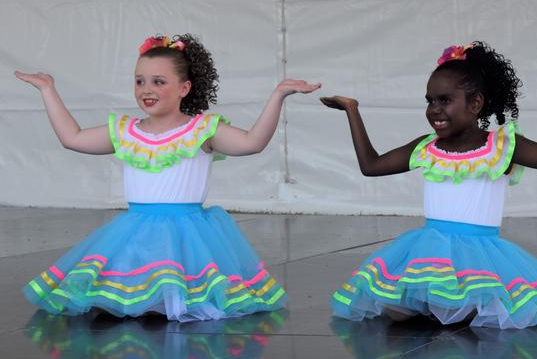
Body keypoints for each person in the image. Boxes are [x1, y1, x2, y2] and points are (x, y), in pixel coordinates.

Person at [321, 41, 537, 329]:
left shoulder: (502, 146)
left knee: (475, 309)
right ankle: (435, 304)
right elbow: (371, 166)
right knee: (395, 308)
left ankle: (451, 306)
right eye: (430, 101)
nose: (434, 109)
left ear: (475, 103)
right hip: (430, 249)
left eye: (445, 100)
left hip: (481, 253)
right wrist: (352, 110)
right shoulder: (427, 147)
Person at [16, 34, 320, 321]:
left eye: (158, 81)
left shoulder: (201, 131)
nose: (146, 89)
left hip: (188, 235)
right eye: (139, 81)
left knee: (175, 296)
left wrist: (278, 95)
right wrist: (48, 90)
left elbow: (252, 142)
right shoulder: (125, 131)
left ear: (184, 88)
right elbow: (73, 137)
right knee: (123, 296)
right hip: (133, 232)